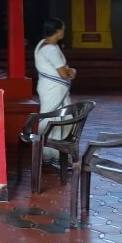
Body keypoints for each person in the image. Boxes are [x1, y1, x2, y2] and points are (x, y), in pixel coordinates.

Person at [34, 17, 77, 162]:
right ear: (57, 30)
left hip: (49, 87)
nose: (64, 32)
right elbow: (64, 73)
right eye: (63, 29)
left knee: (60, 117)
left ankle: (57, 152)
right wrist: (73, 71)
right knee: (53, 118)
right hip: (52, 89)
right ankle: (49, 153)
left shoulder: (42, 44)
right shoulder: (51, 49)